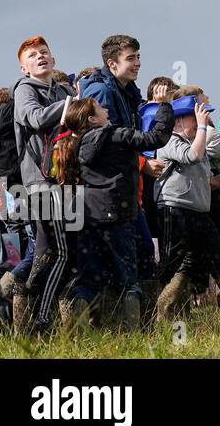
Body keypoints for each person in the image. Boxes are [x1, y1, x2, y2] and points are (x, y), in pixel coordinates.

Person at [66, 91, 175, 329]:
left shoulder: (77, 144)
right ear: (92, 119)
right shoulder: (118, 135)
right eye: (99, 107)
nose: (105, 109)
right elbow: (156, 138)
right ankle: (131, 333)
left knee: (87, 279)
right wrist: (165, 106)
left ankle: (73, 331)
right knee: (128, 279)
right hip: (117, 213)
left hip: (88, 214)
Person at [154, 95, 220, 319]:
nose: (199, 122)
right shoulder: (170, 140)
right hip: (175, 210)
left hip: (199, 213)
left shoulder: (197, 143)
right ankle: (157, 315)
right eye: (194, 118)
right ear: (178, 122)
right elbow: (192, 156)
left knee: (219, 258)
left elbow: (208, 183)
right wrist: (204, 128)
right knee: (171, 262)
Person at [11, 36, 77, 333]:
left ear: (54, 59)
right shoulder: (25, 89)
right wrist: (69, 107)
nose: (40, 57)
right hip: (40, 183)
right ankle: (37, 319)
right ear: (24, 68)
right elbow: (34, 118)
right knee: (59, 253)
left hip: (66, 181)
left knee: (48, 252)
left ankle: (33, 323)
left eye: (45, 52)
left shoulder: (62, 89)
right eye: (33, 55)